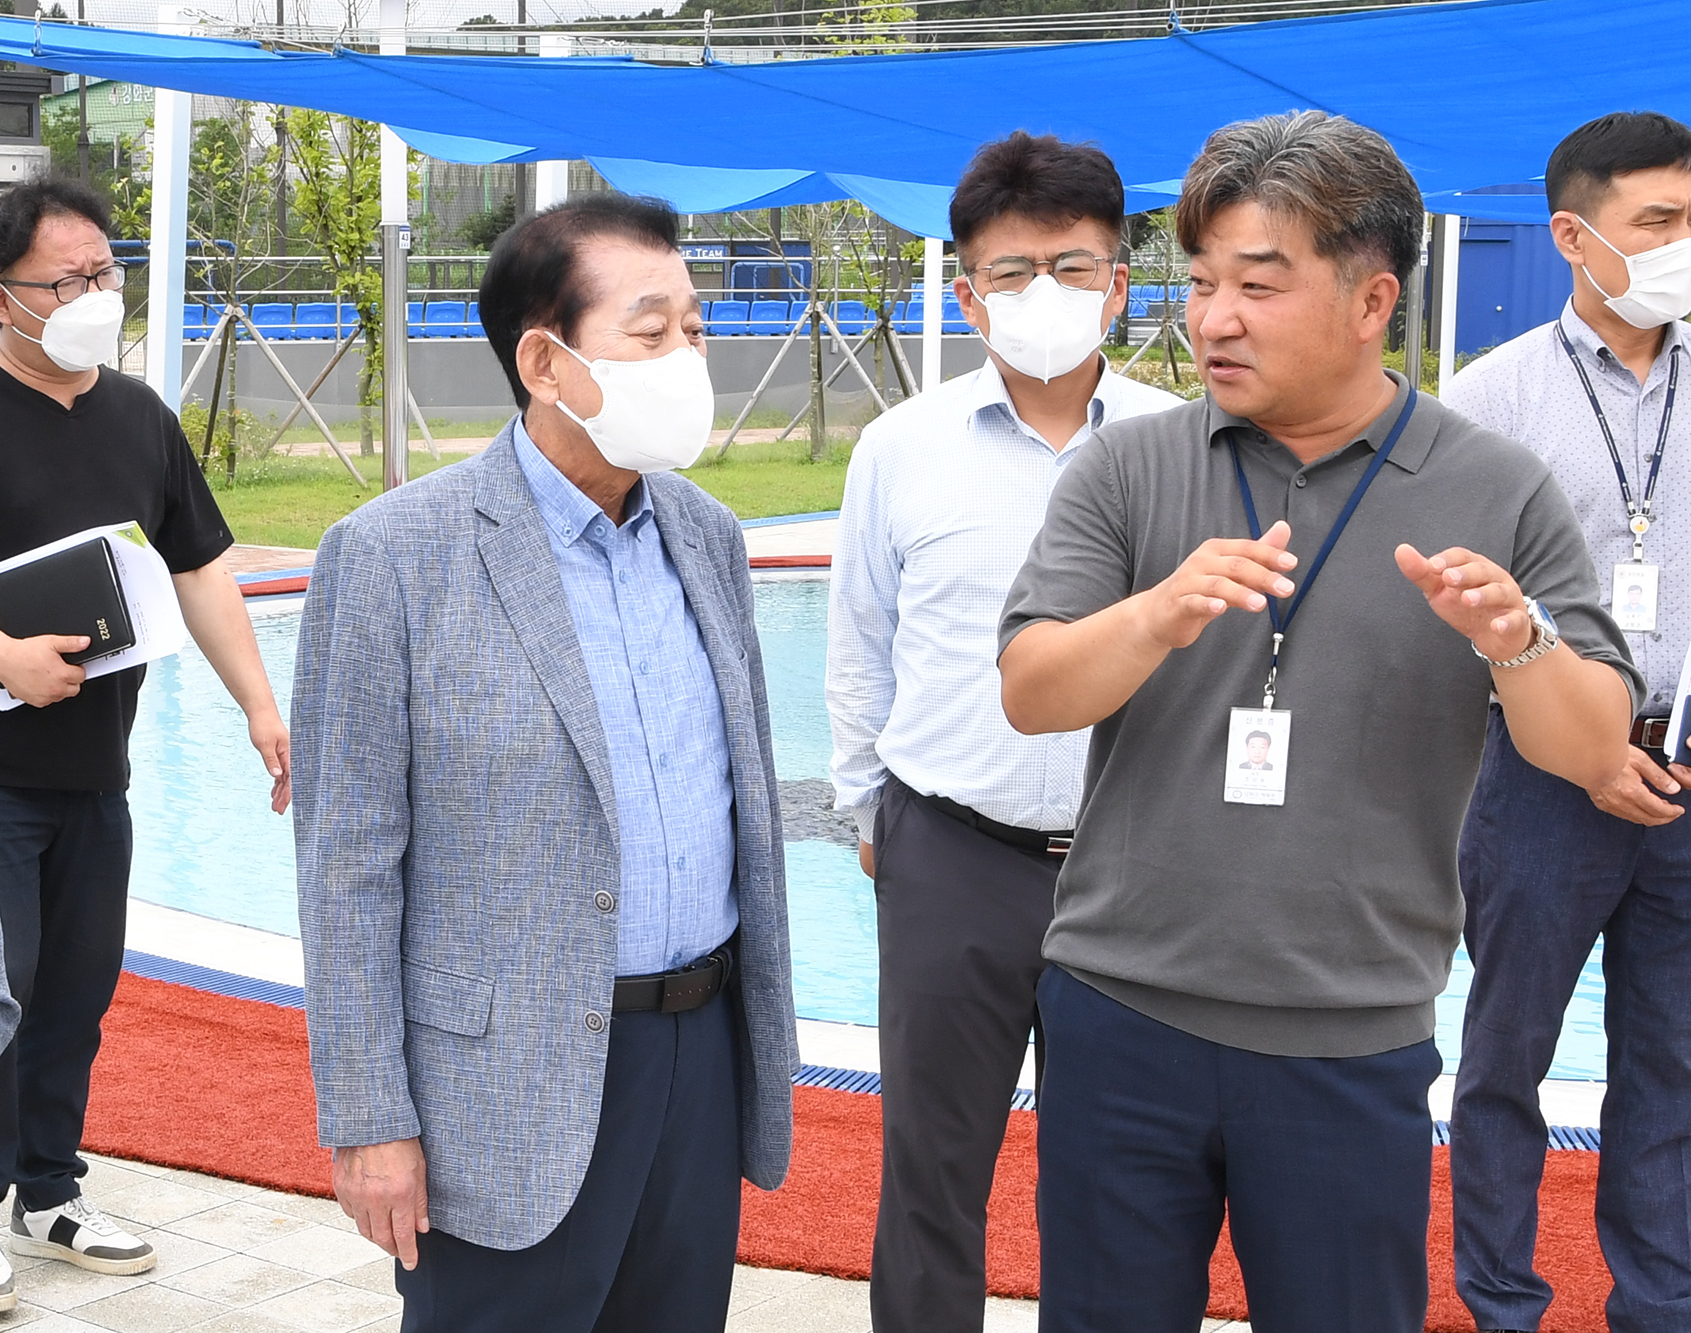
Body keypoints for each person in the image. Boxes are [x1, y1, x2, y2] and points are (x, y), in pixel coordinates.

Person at [995, 111, 1642, 1333]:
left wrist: (1515, 640)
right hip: (1119, 1011)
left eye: (1257, 285)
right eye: (1200, 283)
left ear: (1369, 300)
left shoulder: (1494, 486)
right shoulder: (1126, 468)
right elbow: (1031, 691)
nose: (1213, 319)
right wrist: (1155, 614)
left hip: (1349, 1032)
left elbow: (1591, 746)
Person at [290, 193, 797, 1333]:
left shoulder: (707, 536)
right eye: (651, 331)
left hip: (698, 1053)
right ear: (544, 361)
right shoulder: (392, 556)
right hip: (504, 1081)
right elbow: (346, 866)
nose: (688, 359)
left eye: (696, 330)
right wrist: (369, 1118)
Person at [1440, 112, 1691, 1333]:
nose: (1685, 243)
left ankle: (1660, 1307)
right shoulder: (1492, 395)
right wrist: (1577, 750)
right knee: (1505, 1054)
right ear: (1572, 235)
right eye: (1654, 221)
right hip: (1539, 775)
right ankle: (1501, 1304)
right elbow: (1459, 610)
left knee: (1668, 1056)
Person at [826, 131, 1183, 1333]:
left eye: (1071, 267)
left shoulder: (1182, 445)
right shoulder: (901, 448)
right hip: (950, 851)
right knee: (932, 1169)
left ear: (1117, 284)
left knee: (1120, 1179)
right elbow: (860, 640)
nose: (1044, 294)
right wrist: (868, 812)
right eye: (1012, 271)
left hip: (1130, 864)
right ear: (967, 294)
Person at [0, 177, 290, 1303]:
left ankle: (47, 1193)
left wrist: (259, 705)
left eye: (104, 272)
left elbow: (200, 567)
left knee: (74, 993)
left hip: (92, 773)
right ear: (4, 297)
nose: (93, 296)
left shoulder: (138, 416)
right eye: (65, 280)